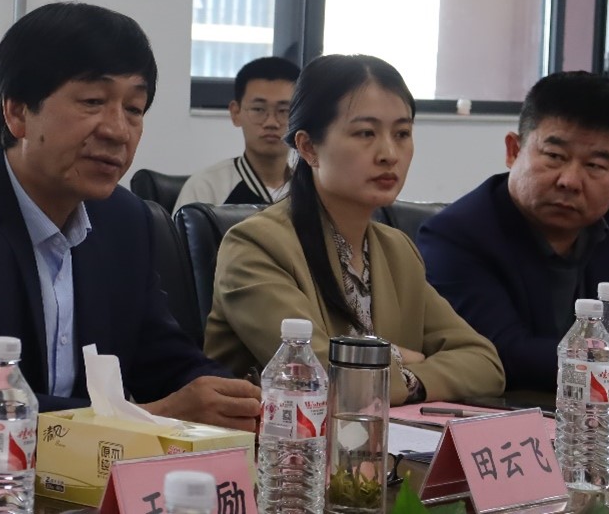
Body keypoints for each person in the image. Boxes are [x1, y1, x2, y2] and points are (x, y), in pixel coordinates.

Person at [0, 2, 260, 443]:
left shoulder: (125, 219)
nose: (118, 131)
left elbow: (164, 360)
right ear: (17, 113)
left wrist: (236, 403)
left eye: (134, 108)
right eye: (92, 102)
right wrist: (141, 419)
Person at [205, 54, 504, 406]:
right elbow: (320, 375)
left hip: (382, 438)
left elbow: (485, 364)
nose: (389, 153)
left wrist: (409, 379)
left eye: (402, 133)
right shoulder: (255, 245)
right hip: (279, 438)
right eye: (366, 133)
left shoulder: (396, 250)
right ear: (308, 147)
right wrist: (397, 358)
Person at [418, 71, 609, 392]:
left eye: (594, 165)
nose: (569, 180)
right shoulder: (456, 236)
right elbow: (502, 353)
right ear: (513, 151)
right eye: (554, 156)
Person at [173, 56, 299, 211]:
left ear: (300, 116)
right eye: (258, 109)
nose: (271, 123)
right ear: (236, 113)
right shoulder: (205, 188)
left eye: (284, 111)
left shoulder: (311, 190)